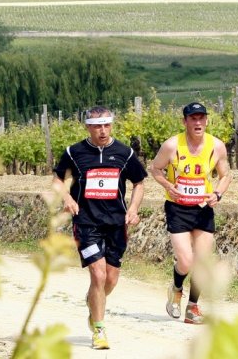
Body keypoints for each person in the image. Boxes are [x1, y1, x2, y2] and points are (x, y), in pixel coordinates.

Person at [53, 106, 147, 351]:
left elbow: (139, 183)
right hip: (86, 223)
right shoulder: (74, 152)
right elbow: (57, 179)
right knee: (98, 274)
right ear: (88, 127)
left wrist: (134, 209)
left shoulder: (124, 153)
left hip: (116, 223)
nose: (102, 130)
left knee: (111, 279)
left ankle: (93, 302)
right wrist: (68, 199)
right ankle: (99, 330)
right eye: (97, 126)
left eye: (106, 125)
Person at [151, 102, 230, 325]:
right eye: (192, 118)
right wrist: (168, 185)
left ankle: (192, 307)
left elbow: (225, 175)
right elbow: (155, 169)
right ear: (184, 122)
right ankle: (176, 289)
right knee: (186, 261)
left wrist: (218, 193)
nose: (197, 122)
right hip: (177, 208)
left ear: (206, 121)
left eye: (201, 118)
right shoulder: (171, 146)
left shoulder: (216, 146)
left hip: (203, 207)